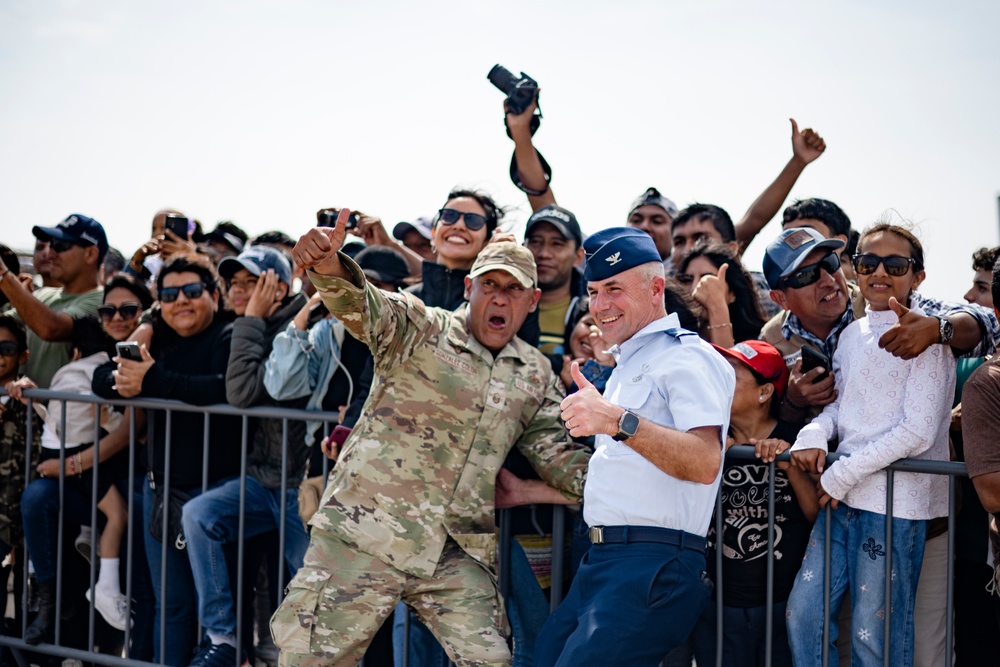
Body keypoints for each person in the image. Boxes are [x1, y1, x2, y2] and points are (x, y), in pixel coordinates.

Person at [271, 214, 588, 667]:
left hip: (455, 553)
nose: (499, 298)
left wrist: (630, 451)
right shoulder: (420, 328)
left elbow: (561, 458)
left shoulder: (535, 373)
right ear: (468, 289)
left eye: (513, 289)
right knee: (316, 661)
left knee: (493, 661)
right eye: (489, 285)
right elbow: (366, 306)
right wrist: (329, 266)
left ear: (533, 300)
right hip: (366, 533)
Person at [534, 227, 735, 666]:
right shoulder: (629, 361)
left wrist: (618, 420)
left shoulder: (688, 357)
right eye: (593, 292)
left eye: (614, 290)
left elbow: (705, 462)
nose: (600, 305)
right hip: (604, 559)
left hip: (652, 562)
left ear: (656, 288)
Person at [785, 223, 955, 666]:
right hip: (844, 500)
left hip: (896, 507)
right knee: (803, 614)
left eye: (895, 265)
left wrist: (840, 473)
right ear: (854, 270)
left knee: (872, 638)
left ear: (917, 276)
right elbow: (841, 411)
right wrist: (813, 433)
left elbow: (917, 431)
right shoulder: (850, 335)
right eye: (867, 262)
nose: (880, 272)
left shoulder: (930, 336)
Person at [93, 253, 243, 666]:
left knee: (222, 620)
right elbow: (103, 380)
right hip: (161, 492)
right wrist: (128, 375)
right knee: (171, 609)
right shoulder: (156, 335)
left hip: (218, 500)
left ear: (214, 295)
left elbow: (229, 387)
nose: (182, 301)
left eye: (192, 291)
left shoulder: (231, 334)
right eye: (171, 294)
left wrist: (152, 380)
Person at [181, 245, 308, 667]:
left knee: (315, 586)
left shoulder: (298, 322)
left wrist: (251, 318)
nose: (238, 291)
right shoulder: (251, 324)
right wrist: (251, 318)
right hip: (263, 479)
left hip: (301, 486)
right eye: (233, 282)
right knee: (199, 515)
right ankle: (223, 637)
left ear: (279, 286)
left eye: (250, 283)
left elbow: (239, 392)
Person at [14, 273, 153, 640]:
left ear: (146, 310)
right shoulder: (92, 350)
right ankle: (49, 605)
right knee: (36, 498)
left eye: (128, 309)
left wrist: (67, 466)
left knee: (130, 514)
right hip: (90, 479)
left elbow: (125, 435)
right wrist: (28, 387)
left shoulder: (144, 351)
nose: (118, 317)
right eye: (108, 310)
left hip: (124, 477)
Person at [759, 227, 997, 419]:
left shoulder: (886, 301)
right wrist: (794, 400)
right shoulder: (772, 340)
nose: (828, 280)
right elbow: (761, 421)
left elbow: (991, 322)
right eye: (806, 275)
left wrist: (938, 329)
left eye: (830, 264)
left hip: (911, 472)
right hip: (823, 474)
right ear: (780, 298)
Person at [689, 340, 816, 667]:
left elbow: (816, 511)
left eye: (730, 376)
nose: (717, 382)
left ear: (764, 394)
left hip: (780, 603)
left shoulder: (797, 438)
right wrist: (711, 457)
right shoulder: (704, 439)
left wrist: (788, 463)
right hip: (716, 603)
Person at [0, 214, 107, 388]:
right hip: (27, 412)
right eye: (51, 245)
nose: (50, 254)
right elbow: (4, 324)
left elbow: (51, 328)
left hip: (67, 413)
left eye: (60, 246)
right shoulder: (43, 295)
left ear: (90, 254)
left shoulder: (104, 301)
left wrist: (3, 274)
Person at [956, 256, 1000, 663]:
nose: (972, 295)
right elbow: (992, 490)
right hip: (981, 559)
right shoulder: (986, 382)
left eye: (982, 286)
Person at [522, 204, 587, 373]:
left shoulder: (595, 313)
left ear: (578, 256)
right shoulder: (500, 303)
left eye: (557, 244)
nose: (544, 253)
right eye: (535, 242)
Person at [676, 242, 767, 346]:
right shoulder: (670, 339)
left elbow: (727, 362)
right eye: (687, 280)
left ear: (732, 293)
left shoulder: (762, 340)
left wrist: (717, 309)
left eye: (707, 278)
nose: (695, 288)